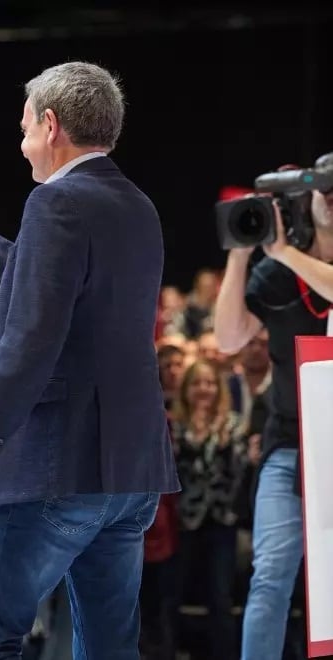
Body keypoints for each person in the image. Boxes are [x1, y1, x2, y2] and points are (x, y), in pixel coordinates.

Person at [0, 61, 179, 659]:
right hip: (129, 472)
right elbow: (85, 299)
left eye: (22, 131)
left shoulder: (54, 202)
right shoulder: (137, 203)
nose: (22, 147)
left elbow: (31, 342)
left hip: (56, 466)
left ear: (49, 124)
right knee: (109, 648)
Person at [214, 159, 333, 660]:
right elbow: (228, 337)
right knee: (270, 578)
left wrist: (283, 251)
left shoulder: (288, 259)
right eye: (326, 190)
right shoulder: (280, 271)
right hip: (291, 443)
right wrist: (240, 259)